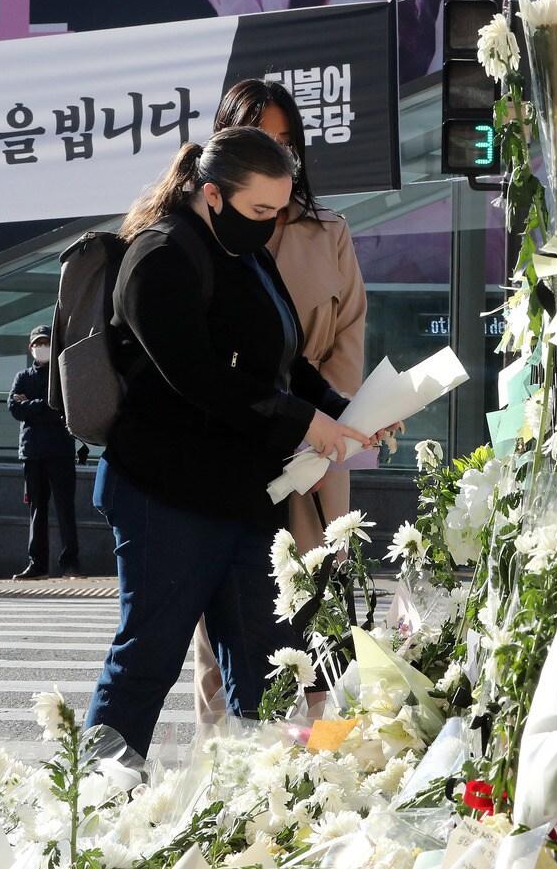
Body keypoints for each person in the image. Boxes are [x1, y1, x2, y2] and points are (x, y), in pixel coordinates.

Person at [84, 127, 394, 758]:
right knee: (150, 651)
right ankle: (95, 802)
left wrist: (348, 412)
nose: (272, 224)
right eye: (260, 211)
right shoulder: (161, 255)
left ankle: (265, 810)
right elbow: (198, 378)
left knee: (270, 660)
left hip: (241, 494)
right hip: (165, 492)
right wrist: (307, 422)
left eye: (279, 211)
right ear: (211, 194)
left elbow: (282, 361)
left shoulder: (244, 252)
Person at [185, 78, 375, 728]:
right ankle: (225, 770)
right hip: (233, 451)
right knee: (229, 619)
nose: (279, 155)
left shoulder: (329, 232)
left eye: (288, 143)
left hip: (315, 456)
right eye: (265, 139)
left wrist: (330, 416)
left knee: (322, 616)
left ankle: (324, 770)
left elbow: (348, 336)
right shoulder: (200, 236)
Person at [9, 325, 83, 581]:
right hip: (32, 454)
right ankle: (37, 564)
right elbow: (14, 409)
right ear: (30, 348)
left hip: (60, 452)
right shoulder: (22, 377)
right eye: (37, 343)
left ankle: (70, 563)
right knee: (37, 510)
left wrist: (31, 405)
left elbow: (62, 407)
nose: (41, 348)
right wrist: (45, 405)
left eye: (46, 343)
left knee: (65, 509)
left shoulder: (62, 375)